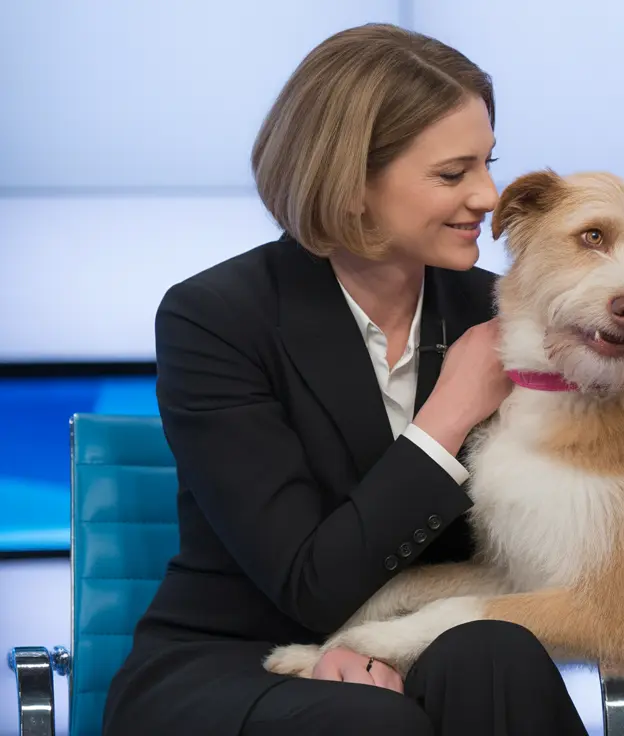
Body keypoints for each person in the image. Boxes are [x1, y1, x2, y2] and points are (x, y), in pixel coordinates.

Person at [102, 24, 588, 736]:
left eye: (488, 163)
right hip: (236, 656)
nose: (489, 196)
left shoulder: (508, 311)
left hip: (426, 633)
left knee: (500, 653)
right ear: (352, 182)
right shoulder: (215, 318)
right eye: (454, 174)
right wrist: (448, 414)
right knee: (370, 723)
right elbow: (308, 583)